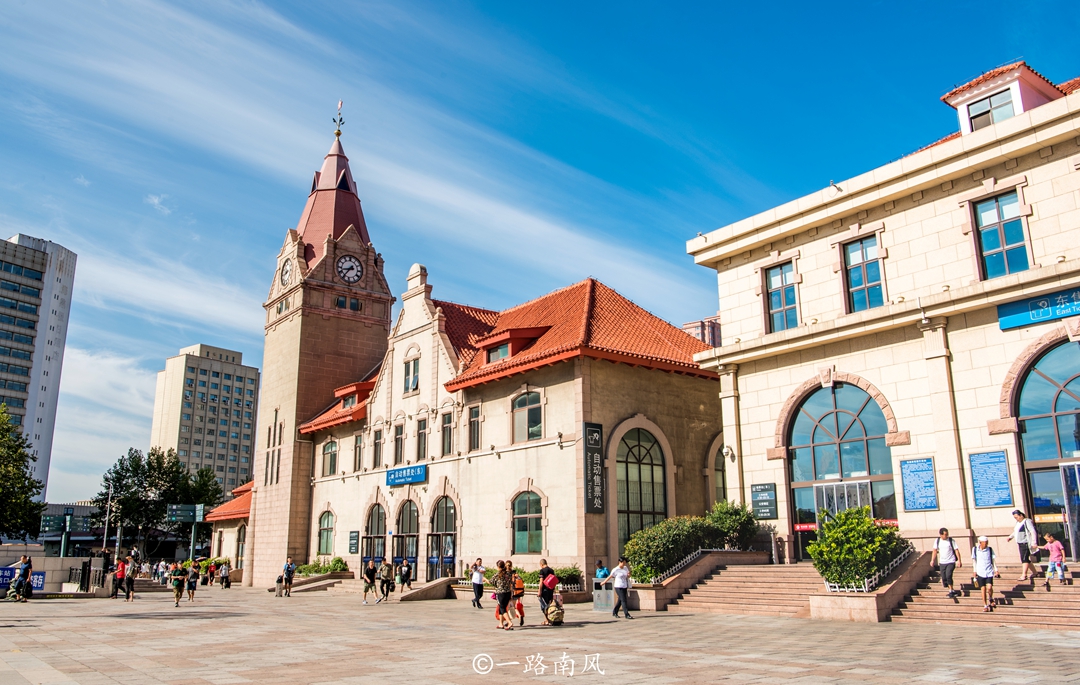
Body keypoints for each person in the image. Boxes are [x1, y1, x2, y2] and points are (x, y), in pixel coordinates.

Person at [1006, 510, 1039, 581]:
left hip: (1025, 543)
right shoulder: (1018, 523)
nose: (1016, 519)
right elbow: (1016, 532)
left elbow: (1032, 531)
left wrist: (1034, 542)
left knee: (1024, 559)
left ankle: (1024, 575)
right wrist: (1010, 537)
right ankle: (1035, 572)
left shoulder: (1027, 521)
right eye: (1015, 518)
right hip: (1020, 543)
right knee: (1025, 559)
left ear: (1021, 515)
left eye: (1017, 517)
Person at [930, 528, 962, 598]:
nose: (946, 536)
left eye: (947, 534)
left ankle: (950, 590)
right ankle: (952, 590)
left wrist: (959, 560)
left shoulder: (951, 540)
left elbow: (956, 550)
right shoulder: (937, 541)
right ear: (941, 535)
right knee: (944, 578)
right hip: (942, 562)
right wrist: (932, 560)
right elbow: (934, 551)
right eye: (945, 534)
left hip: (951, 561)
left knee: (948, 575)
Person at [971, 536, 999, 612]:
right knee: (983, 589)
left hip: (989, 571)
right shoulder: (975, 550)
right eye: (984, 543)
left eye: (987, 543)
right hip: (980, 572)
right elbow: (974, 562)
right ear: (980, 542)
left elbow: (993, 560)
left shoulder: (989, 549)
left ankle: (990, 597)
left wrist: (996, 570)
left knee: (989, 587)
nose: (986, 544)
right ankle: (985, 605)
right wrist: (974, 572)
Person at [492, 560, 514, 630]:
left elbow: (491, 581)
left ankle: (509, 622)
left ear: (498, 566)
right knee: (502, 607)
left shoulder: (498, 574)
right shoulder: (508, 573)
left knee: (502, 608)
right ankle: (501, 624)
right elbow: (511, 582)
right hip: (508, 593)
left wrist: (485, 579)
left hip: (501, 593)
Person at [537, 559, 556, 625]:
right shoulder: (551, 570)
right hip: (550, 590)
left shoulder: (542, 571)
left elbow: (541, 582)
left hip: (544, 590)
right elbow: (553, 580)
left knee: (544, 606)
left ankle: (547, 620)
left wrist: (539, 591)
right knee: (549, 605)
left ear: (541, 564)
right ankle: (551, 618)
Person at [510, 562, 526, 626]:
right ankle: (509, 620)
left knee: (511, 607)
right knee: (512, 606)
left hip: (513, 593)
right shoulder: (518, 577)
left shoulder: (512, 577)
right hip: (518, 593)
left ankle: (518, 616)